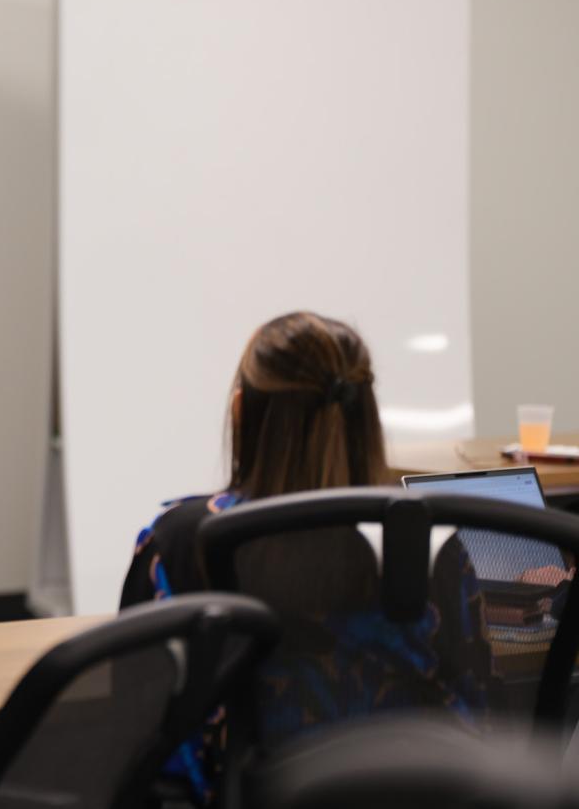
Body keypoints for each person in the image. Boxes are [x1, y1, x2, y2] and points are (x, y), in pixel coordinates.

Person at [120, 312, 495, 805]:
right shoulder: (437, 539)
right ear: (368, 421)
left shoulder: (182, 539)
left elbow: (133, 716)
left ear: (240, 413)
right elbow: (483, 714)